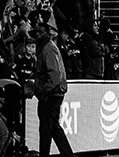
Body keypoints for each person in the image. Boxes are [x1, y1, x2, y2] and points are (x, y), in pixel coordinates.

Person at [33, 22, 72, 157]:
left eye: (40, 32)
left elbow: (55, 75)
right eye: (36, 32)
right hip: (53, 92)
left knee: (46, 128)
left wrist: (43, 90)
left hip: (51, 94)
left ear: (47, 34)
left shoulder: (48, 49)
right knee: (53, 127)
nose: (37, 34)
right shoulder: (47, 48)